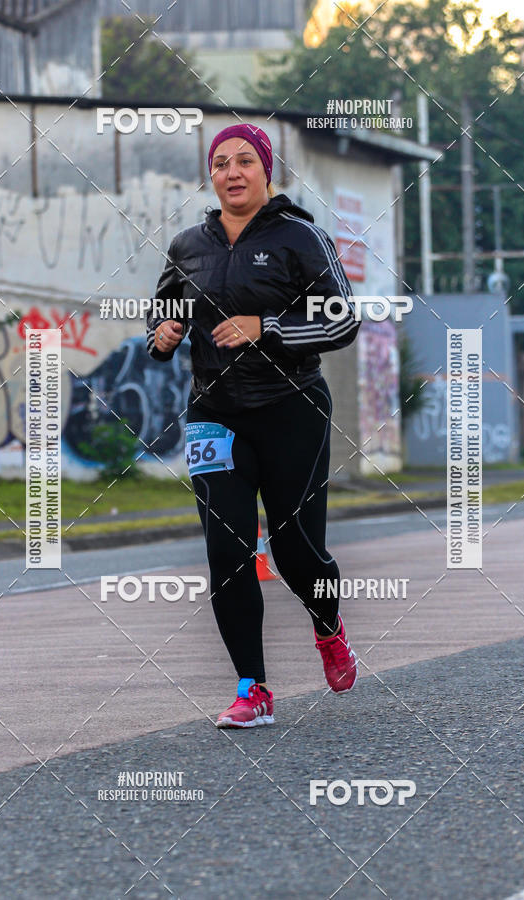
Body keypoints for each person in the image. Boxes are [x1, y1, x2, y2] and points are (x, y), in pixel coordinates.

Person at [147, 123, 360, 728]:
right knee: (227, 552)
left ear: (267, 170)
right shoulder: (189, 244)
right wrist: (161, 336)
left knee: (298, 553)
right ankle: (252, 690)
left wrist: (266, 326)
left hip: (292, 409)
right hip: (214, 415)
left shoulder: (302, 238)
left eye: (245, 161)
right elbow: (161, 315)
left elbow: (342, 323)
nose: (232, 172)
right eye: (220, 163)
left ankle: (328, 627)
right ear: (210, 176)